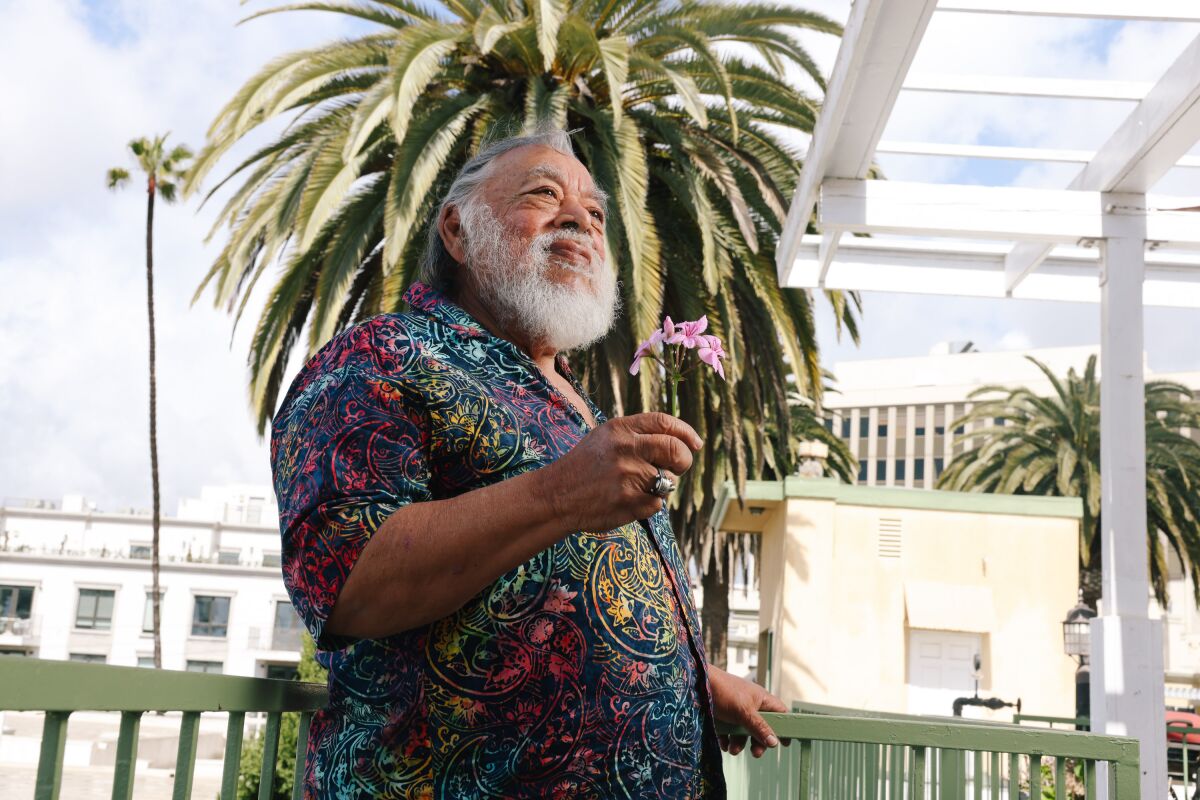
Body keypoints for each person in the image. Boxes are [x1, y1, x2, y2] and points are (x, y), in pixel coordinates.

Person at [272, 127, 786, 799]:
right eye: (544, 194)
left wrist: (695, 677)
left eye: (598, 214)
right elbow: (345, 584)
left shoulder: (584, 409)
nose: (581, 218)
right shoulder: (381, 356)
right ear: (457, 231)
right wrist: (559, 494)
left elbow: (570, 601)